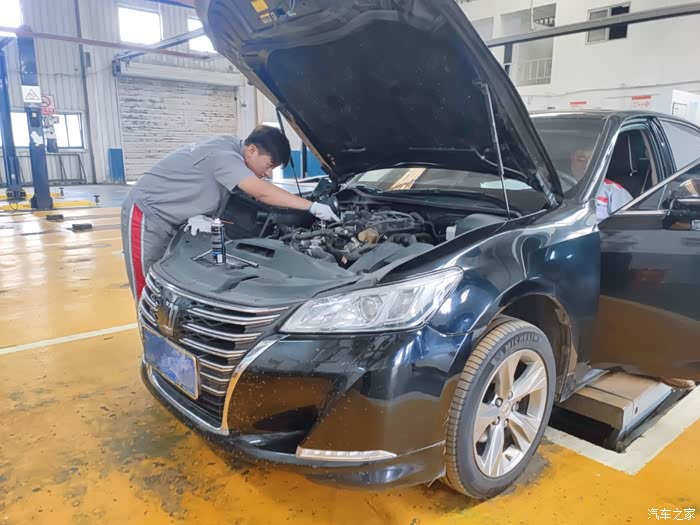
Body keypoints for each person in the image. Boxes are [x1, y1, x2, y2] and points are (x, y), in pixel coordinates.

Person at [120, 125, 339, 301]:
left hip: (175, 217)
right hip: (149, 214)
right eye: (269, 165)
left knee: (169, 283)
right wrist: (311, 207)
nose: (269, 173)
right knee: (147, 286)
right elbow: (261, 193)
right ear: (252, 150)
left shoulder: (233, 146)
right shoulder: (223, 155)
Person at [570, 148, 633, 221]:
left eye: (592, 160)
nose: (587, 165)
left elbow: (626, 223)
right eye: (581, 160)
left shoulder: (615, 192)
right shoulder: (560, 187)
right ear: (572, 159)